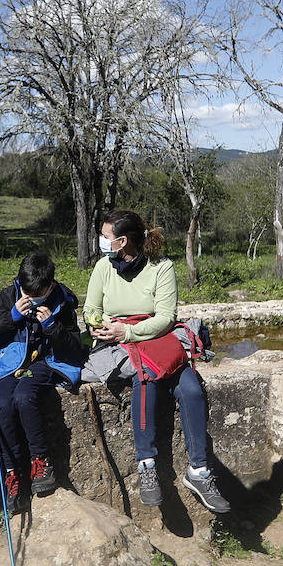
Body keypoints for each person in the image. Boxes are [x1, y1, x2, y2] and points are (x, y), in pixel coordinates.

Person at [84, 209, 228, 513]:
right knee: (144, 379)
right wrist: (97, 324)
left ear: (122, 241)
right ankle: (146, 464)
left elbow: (165, 318)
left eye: (106, 236)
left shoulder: (161, 268)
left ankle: (199, 471)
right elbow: (90, 308)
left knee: (190, 389)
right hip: (119, 343)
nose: (102, 241)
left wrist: (130, 330)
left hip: (157, 339)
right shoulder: (102, 268)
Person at [0, 252, 85, 512]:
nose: (30, 297)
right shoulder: (9, 296)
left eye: (37, 293)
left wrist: (52, 325)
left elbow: (75, 348)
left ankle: (41, 460)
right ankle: (12, 471)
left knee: (24, 396)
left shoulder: (62, 300)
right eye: (26, 291)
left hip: (44, 362)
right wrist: (13, 317)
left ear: (50, 286)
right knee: (3, 403)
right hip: (11, 362)